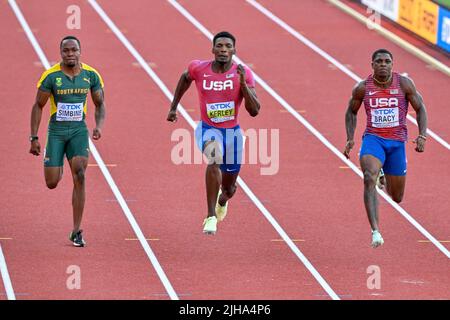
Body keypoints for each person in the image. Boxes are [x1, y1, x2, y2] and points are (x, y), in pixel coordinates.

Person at [167, 31, 260, 235]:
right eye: (219, 46)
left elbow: (254, 111)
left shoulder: (243, 73)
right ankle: (210, 217)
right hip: (208, 129)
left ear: (234, 50)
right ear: (213, 49)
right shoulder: (199, 68)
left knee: (229, 189)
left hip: (233, 134)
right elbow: (185, 79)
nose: (223, 50)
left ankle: (222, 201)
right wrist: (173, 107)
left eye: (228, 46)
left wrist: (243, 84)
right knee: (214, 157)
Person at [344, 49, 427, 248]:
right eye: (379, 61)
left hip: (397, 143)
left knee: (397, 197)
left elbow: (420, 108)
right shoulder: (363, 88)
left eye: (387, 61)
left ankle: (383, 174)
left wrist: (422, 135)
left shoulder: (405, 84)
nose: (383, 64)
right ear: (372, 64)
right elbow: (351, 111)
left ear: (392, 64)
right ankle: (375, 231)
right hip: (374, 140)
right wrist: (350, 138)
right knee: (368, 176)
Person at [29, 36, 106, 247]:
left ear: (80, 51)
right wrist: (34, 137)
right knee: (52, 182)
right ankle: (59, 162)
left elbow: (100, 103)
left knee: (80, 174)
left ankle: (76, 230)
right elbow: (38, 105)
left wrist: (98, 126)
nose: (70, 54)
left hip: (78, 131)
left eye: (74, 50)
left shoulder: (91, 75)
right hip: (57, 131)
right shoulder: (51, 76)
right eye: (66, 51)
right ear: (61, 52)